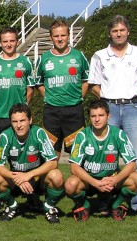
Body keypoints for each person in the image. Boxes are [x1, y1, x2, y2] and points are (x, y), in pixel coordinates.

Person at [88, 15, 137, 215]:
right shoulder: (99, 55)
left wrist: (133, 96)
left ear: (128, 32)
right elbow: (93, 85)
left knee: (136, 158)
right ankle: (107, 203)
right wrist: (109, 99)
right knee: (107, 159)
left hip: (134, 109)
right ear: (109, 33)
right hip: (110, 110)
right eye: (115, 31)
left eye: (122, 30)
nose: (118, 33)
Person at [65, 100, 137, 221]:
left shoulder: (118, 134)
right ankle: (85, 205)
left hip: (111, 180)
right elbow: (74, 167)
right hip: (89, 181)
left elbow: (132, 164)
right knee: (70, 185)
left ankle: (116, 205)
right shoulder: (82, 136)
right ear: (90, 118)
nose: (97, 119)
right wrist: (95, 183)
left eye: (101, 115)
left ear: (108, 116)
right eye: (93, 116)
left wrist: (115, 180)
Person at [0, 104, 64, 223]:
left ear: (30, 120)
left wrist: (28, 175)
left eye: (22, 120)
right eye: (14, 121)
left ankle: (49, 207)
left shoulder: (39, 133)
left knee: (57, 176)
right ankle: (12, 206)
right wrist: (17, 177)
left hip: (36, 179)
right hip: (16, 180)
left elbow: (52, 162)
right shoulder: (5, 136)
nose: (18, 125)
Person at [36, 20, 89, 161]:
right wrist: (47, 97)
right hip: (52, 112)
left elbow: (86, 80)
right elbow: (39, 83)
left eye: (63, 35)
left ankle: (77, 183)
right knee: (51, 156)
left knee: (78, 156)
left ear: (68, 35)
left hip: (74, 111)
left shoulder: (78, 56)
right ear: (51, 37)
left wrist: (79, 97)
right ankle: (51, 183)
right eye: (56, 36)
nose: (60, 39)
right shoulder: (44, 59)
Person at [0, 26, 35, 154]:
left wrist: (24, 106)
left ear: (17, 41)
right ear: (0, 43)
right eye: (5, 41)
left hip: (20, 117)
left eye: (12, 41)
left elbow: (30, 89)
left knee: (22, 153)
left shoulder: (26, 62)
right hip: (0, 116)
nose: (9, 44)